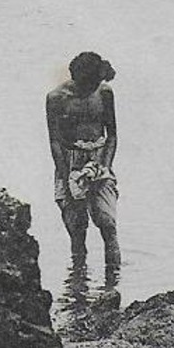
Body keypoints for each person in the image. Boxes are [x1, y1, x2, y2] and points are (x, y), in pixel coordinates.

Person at [46, 51, 119, 280]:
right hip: (69, 160)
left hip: (98, 158)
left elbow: (112, 135)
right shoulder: (56, 98)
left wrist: (104, 167)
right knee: (77, 229)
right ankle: (78, 288)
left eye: (95, 84)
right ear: (77, 79)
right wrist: (67, 178)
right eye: (87, 84)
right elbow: (55, 141)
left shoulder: (104, 93)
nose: (91, 89)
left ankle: (113, 285)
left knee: (107, 223)